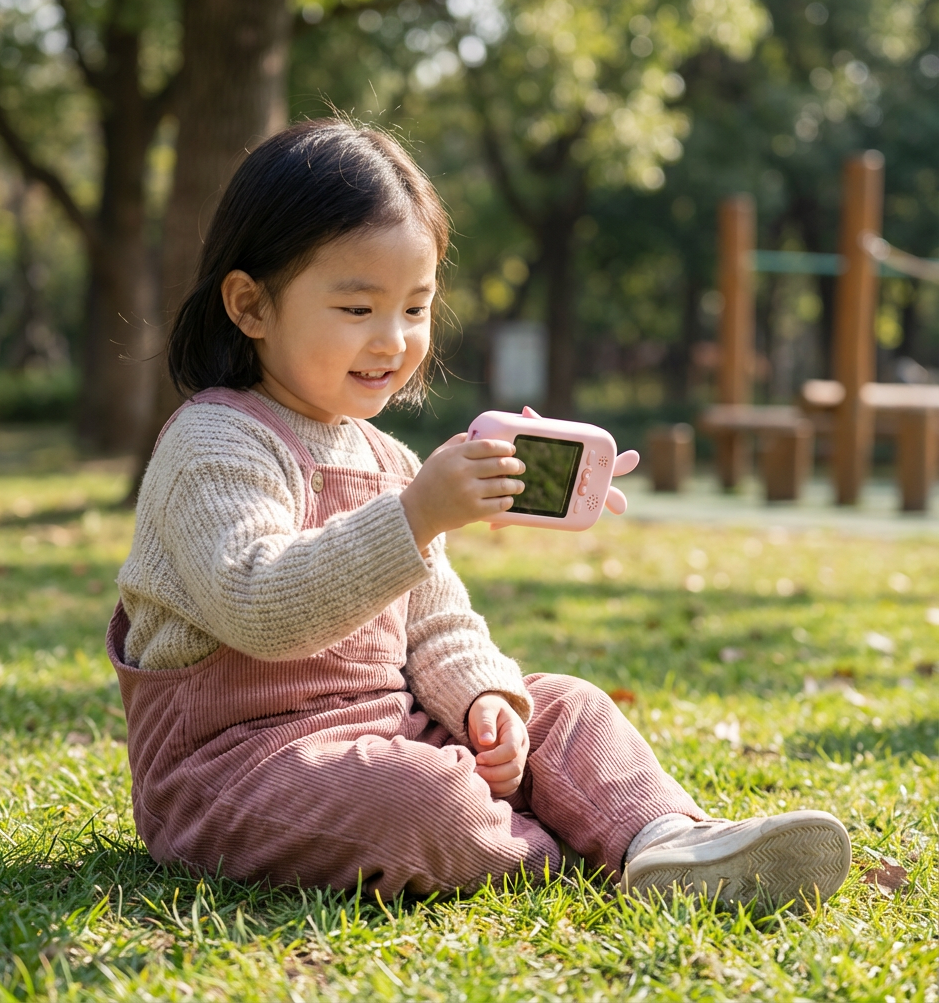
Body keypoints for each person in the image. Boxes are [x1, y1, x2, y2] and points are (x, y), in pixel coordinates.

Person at [109, 118, 851, 911]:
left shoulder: (389, 459)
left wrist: (481, 701)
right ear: (251, 305)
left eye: (416, 307)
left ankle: (664, 837)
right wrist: (414, 517)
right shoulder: (214, 442)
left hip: (384, 735)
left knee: (567, 706)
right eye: (357, 308)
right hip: (236, 768)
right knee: (421, 799)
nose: (393, 340)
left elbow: (438, 624)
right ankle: (565, 841)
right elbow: (258, 606)